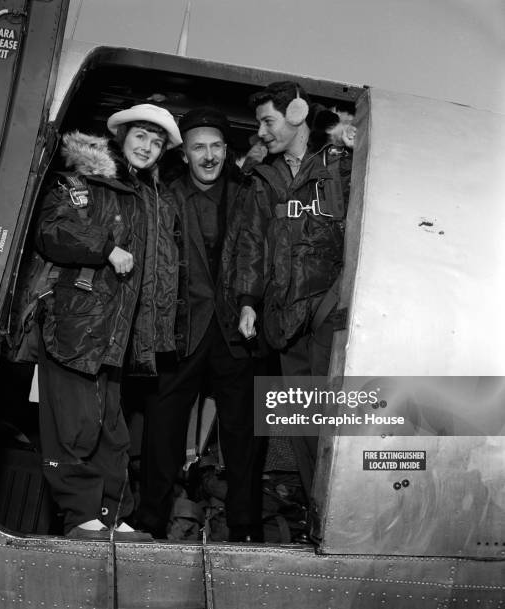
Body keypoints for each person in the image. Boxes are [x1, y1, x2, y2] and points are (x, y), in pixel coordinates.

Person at [35, 104, 182, 541]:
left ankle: (111, 517)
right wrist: (105, 247)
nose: (148, 147)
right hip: (76, 322)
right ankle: (81, 518)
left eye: (156, 143)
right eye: (141, 137)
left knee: (111, 430)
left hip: (116, 331)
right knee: (76, 424)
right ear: (120, 137)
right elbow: (50, 229)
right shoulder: (84, 180)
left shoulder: (149, 196)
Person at [136, 107, 265, 542]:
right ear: (185, 154)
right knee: (162, 428)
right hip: (180, 330)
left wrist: (249, 303)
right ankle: (150, 520)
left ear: (227, 151)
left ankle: (246, 526)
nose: (208, 156)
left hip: (232, 331)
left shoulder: (246, 194)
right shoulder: (166, 195)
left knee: (242, 434)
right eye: (198, 148)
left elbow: (250, 251)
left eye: (215, 147)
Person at [236, 82, 353, 513]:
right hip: (285, 322)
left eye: (268, 121)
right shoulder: (264, 178)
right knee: (304, 427)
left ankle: (343, 513)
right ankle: (318, 515)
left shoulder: (343, 167)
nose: (262, 133)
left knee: (334, 427)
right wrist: (248, 300)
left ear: (297, 114)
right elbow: (250, 243)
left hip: (330, 317)